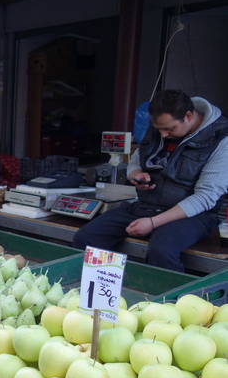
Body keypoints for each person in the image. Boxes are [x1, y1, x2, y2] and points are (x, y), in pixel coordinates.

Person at [73, 89, 228, 272]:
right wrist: (135, 173)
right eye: (158, 129)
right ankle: (103, 291)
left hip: (193, 215)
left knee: (162, 251)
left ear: (188, 116)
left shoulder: (220, 139)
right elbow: (137, 158)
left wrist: (153, 222)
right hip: (145, 206)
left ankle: (167, 299)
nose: (163, 135)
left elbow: (205, 197)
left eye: (169, 129)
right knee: (86, 237)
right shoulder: (161, 127)